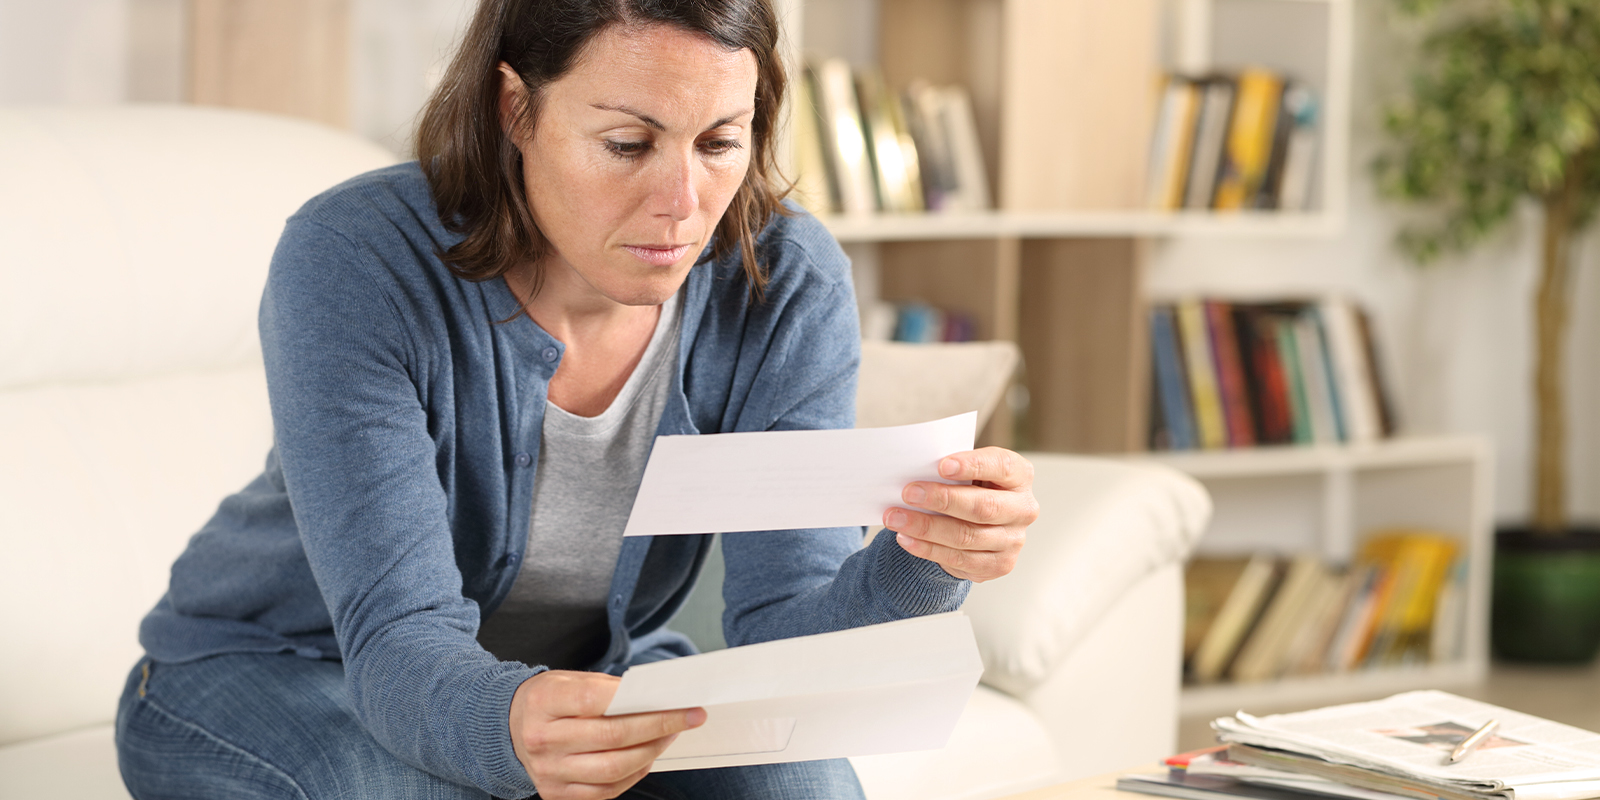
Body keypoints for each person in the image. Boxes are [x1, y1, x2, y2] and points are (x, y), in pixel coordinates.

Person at [113, 0, 1039, 798]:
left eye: (721, 142)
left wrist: (927, 557)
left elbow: (781, 641)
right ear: (517, 108)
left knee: (800, 783)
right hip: (274, 668)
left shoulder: (781, 281)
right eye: (628, 143)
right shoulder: (355, 259)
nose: (683, 200)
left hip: (582, 681)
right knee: (404, 786)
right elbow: (397, 643)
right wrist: (511, 722)